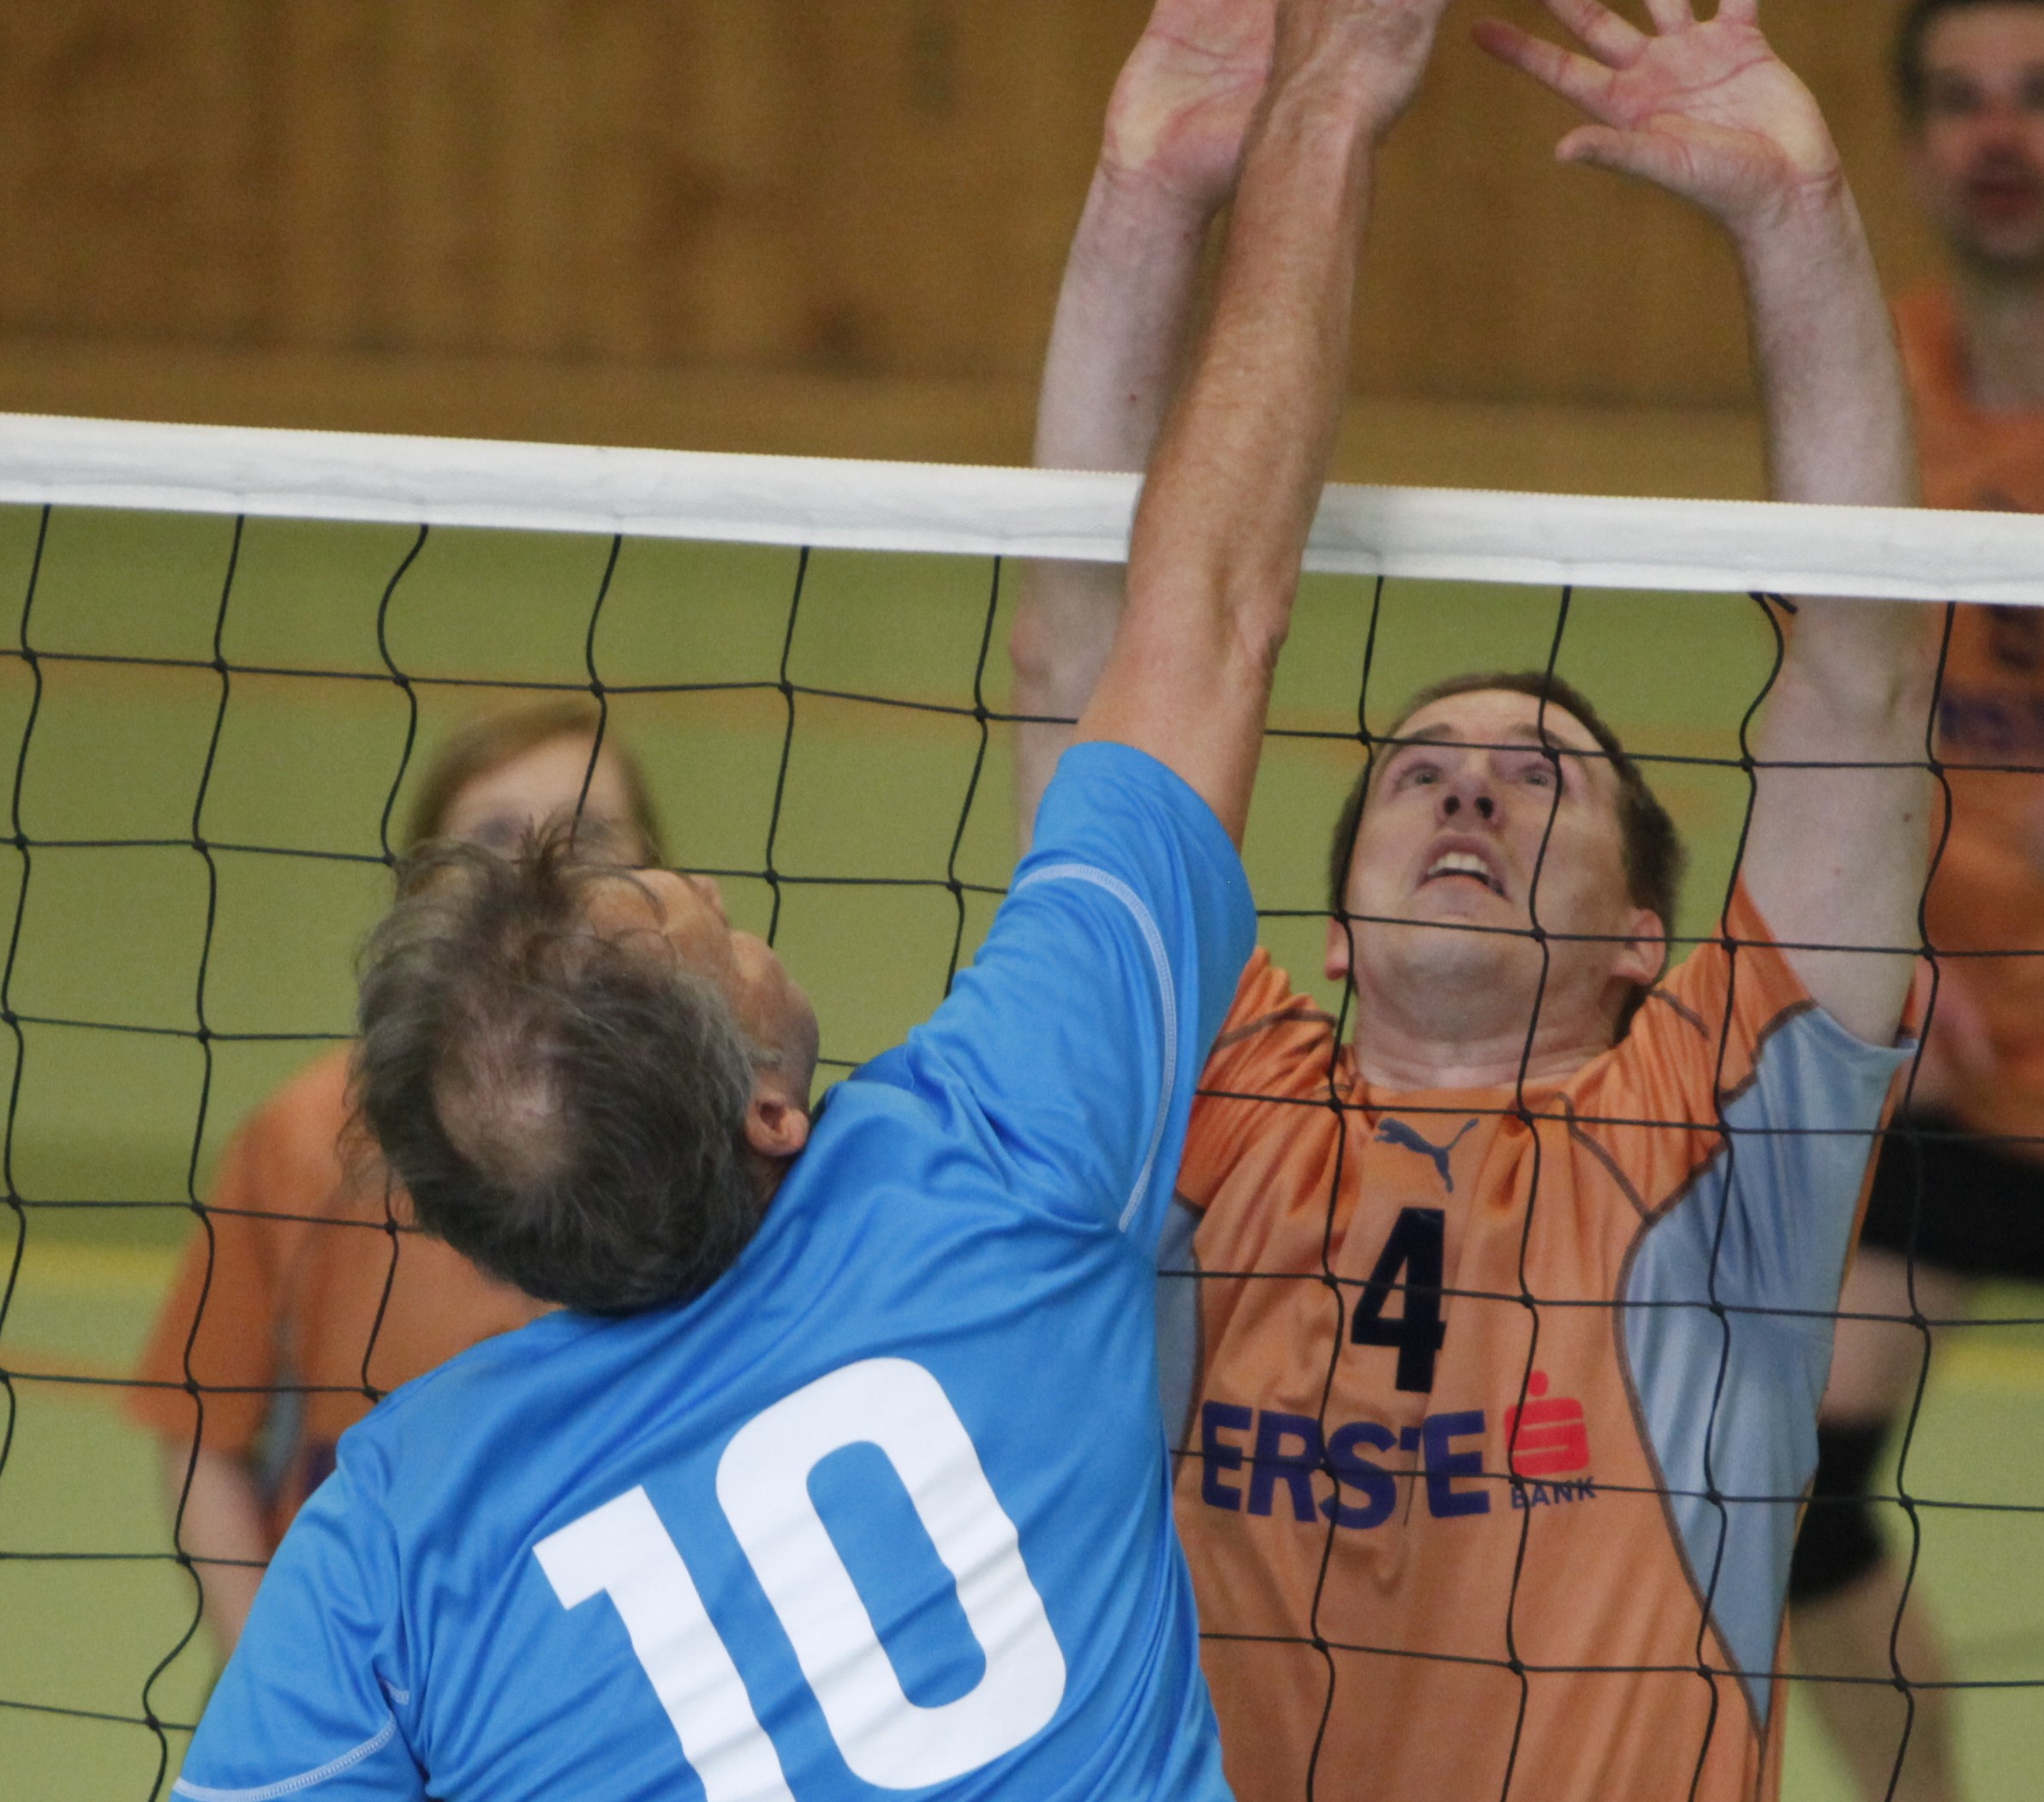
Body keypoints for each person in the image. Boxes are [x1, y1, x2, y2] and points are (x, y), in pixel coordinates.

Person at [170, 2, 1461, 1796]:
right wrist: (1326, 114)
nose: (704, 881)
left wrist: (1141, 196)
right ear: (771, 1109)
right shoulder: (994, 1159)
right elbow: (1210, 611)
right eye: (704, 923)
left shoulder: (390, 1534)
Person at [1010, 1, 1933, 1798]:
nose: (1465, 787)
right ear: (1332, 934)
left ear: (1641, 941)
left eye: (1538, 776)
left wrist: (1797, 217)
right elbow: (1073, 660)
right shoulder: (1206, 1084)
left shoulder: (1721, 1134)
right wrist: (1141, 195)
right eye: (1419, 768)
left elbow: (1860, 681)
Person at [128, 697, 664, 1658]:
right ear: (422, 889)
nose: (539, 868)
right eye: (493, 836)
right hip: (370, 1678)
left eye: (586, 834)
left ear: (660, 877)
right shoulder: (306, 1139)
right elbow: (201, 1443)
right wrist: (283, 1683)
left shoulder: (710, 1139)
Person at [1789, 4, 2044, 1799]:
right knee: (1779, 1484)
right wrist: (1880, 953)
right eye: (1958, 102)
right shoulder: (1868, 389)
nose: (1997, 135)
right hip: (1946, 1064)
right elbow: (1822, 713)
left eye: (2034, 97)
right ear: (1910, 147)